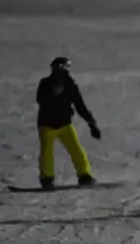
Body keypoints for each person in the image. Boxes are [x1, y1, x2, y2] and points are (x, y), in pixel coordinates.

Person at [36, 57, 101, 190]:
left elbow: (80, 106)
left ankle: (84, 175)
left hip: (64, 124)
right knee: (47, 152)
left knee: (75, 149)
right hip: (47, 124)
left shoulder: (71, 87)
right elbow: (40, 99)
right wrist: (54, 94)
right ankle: (47, 178)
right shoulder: (46, 84)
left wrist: (92, 124)